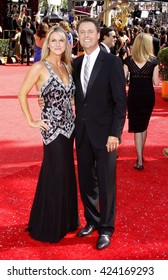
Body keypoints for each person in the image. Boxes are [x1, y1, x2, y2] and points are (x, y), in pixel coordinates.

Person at [18, 26, 79, 243]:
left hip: (70, 128)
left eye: (61, 41)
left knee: (66, 173)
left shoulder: (67, 66)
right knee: (55, 172)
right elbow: (21, 93)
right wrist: (31, 120)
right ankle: (50, 224)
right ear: (47, 43)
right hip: (52, 130)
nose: (57, 45)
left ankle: (65, 220)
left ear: (67, 44)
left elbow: (70, 99)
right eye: (53, 41)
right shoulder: (39, 67)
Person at [73, 17, 126, 250]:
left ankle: (106, 228)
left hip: (106, 136)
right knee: (86, 181)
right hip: (82, 133)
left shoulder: (112, 62)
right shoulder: (76, 63)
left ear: (98, 35)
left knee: (106, 183)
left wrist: (115, 133)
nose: (85, 35)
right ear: (78, 36)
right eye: (82, 31)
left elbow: (120, 102)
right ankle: (92, 221)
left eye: (90, 31)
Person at [123, 33, 159, 170]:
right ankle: (140, 156)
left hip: (134, 96)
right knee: (143, 125)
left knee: (138, 127)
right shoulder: (153, 61)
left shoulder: (128, 61)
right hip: (148, 96)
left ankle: (139, 159)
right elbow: (156, 82)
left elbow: (122, 81)